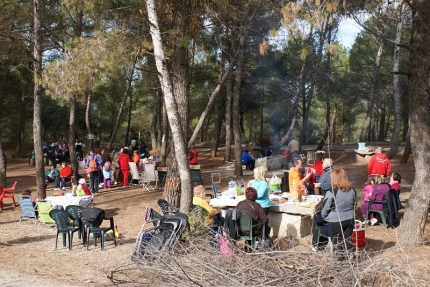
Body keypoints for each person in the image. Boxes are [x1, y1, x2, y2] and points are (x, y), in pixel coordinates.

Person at [321, 169, 357, 259]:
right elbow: (355, 204)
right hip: (350, 219)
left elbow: (325, 208)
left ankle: (340, 261)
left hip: (335, 220)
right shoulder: (352, 190)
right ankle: (350, 257)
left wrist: (323, 216)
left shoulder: (332, 192)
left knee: (337, 242)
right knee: (347, 239)